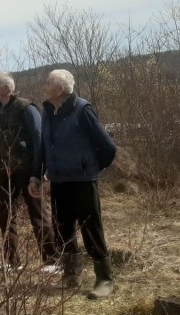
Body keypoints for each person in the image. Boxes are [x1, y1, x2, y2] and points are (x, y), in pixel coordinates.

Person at [29, 69, 118, 299]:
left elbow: (108, 147)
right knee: (62, 229)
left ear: (60, 90)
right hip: (58, 181)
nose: (44, 86)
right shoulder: (48, 112)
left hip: (83, 181)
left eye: (48, 83)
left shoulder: (82, 110)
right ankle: (71, 276)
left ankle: (104, 279)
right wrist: (36, 176)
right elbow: (42, 148)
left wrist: (91, 168)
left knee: (91, 229)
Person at [0, 72, 60, 274]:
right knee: (4, 215)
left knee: (37, 214)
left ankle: (52, 260)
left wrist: (39, 171)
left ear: (6, 88)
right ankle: (12, 261)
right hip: (4, 169)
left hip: (27, 169)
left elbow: (39, 138)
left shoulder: (26, 108)